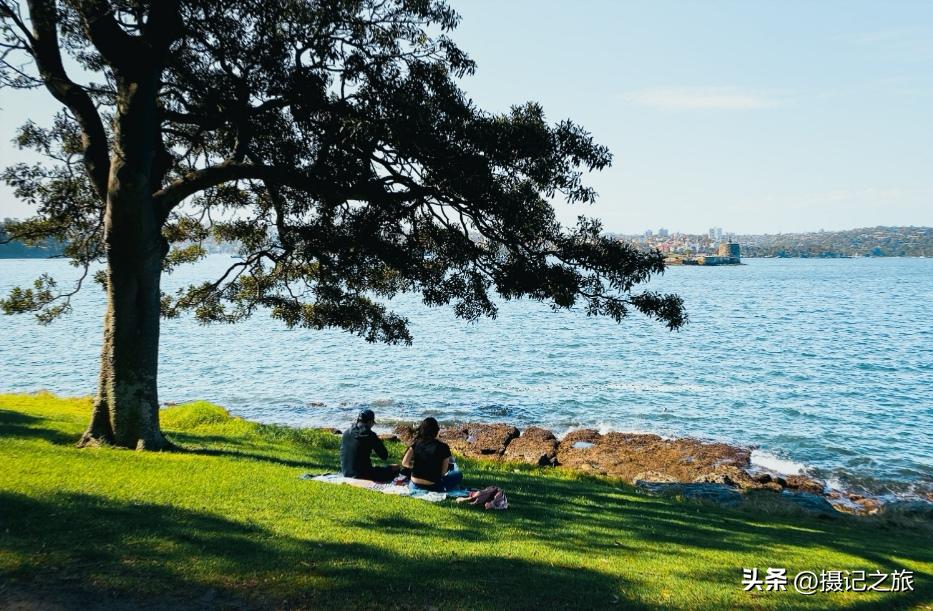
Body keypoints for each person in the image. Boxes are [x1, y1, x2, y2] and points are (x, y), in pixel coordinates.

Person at [401, 417, 463, 492]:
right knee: (458, 474)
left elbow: (404, 463)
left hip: (414, 485)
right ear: (437, 431)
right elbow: (443, 473)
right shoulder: (443, 447)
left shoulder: (417, 443)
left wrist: (413, 467)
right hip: (433, 486)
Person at [340, 409, 398, 482]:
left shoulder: (346, 432)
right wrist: (376, 441)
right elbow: (384, 456)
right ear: (370, 422)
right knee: (395, 467)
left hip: (346, 473)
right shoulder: (370, 435)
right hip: (364, 475)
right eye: (373, 423)